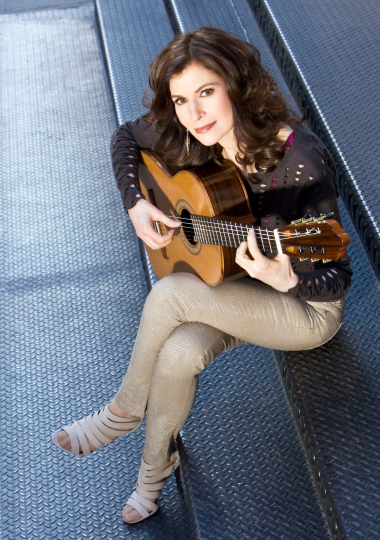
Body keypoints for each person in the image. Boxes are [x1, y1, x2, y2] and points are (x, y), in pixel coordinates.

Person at [52, 27, 352, 524]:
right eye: (181, 100)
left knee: (171, 293)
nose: (194, 115)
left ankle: (123, 412)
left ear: (236, 85)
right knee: (180, 351)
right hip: (241, 284)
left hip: (306, 308)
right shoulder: (195, 134)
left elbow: (337, 277)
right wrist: (137, 204)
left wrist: (288, 280)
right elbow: (126, 136)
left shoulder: (299, 161)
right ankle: (154, 468)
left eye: (207, 93)